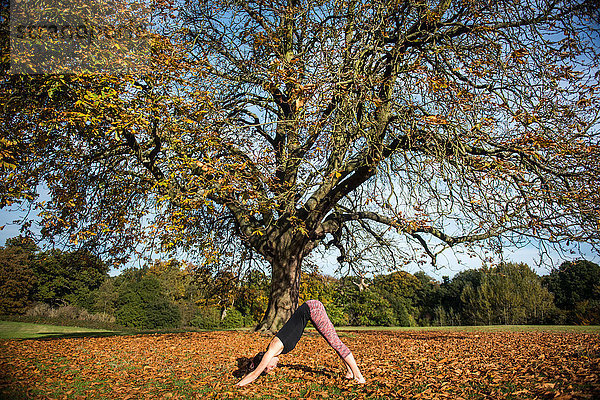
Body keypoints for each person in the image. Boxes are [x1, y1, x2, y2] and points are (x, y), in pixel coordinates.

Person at [236, 299, 366, 386]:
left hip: (312, 309)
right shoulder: (276, 348)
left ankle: (358, 376)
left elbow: (254, 374)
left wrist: (242, 382)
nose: (271, 368)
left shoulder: (273, 348)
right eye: (269, 370)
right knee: (332, 341)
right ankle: (350, 372)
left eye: (267, 367)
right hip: (310, 310)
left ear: (264, 359)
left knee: (335, 342)